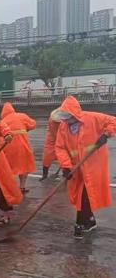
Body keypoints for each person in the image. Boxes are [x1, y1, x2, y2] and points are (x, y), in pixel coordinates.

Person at [54, 96, 116, 239]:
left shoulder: (92, 118)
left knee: (85, 193)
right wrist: (66, 166)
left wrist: (106, 134)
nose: (65, 120)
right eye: (64, 117)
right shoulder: (63, 126)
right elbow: (60, 147)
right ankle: (90, 220)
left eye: (68, 117)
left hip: (94, 163)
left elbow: (113, 121)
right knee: (80, 194)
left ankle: (80, 222)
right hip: (76, 166)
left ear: (74, 113)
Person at [0, 102, 36, 193]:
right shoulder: (22, 116)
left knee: (9, 169)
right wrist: (26, 128)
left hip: (9, 149)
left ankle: (10, 189)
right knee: (24, 167)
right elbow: (33, 124)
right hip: (23, 147)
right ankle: (22, 187)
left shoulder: (3, 122)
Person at [40, 109, 61, 181]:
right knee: (47, 156)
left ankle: (66, 173)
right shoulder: (52, 120)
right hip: (51, 139)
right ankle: (44, 175)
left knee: (65, 157)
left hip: (63, 138)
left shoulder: (66, 117)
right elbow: (55, 133)